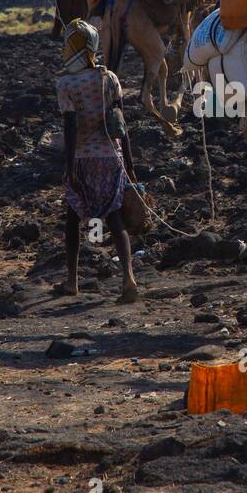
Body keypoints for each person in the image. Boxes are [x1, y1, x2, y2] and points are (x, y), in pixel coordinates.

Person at [55, 19, 139, 303]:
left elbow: (70, 127)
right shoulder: (109, 78)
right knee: (115, 219)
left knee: (72, 219)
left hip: (81, 159)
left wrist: (68, 166)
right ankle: (128, 277)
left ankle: (71, 280)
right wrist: (129, 164)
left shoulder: (66, 83)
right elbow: (121, 124)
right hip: (111, 157)